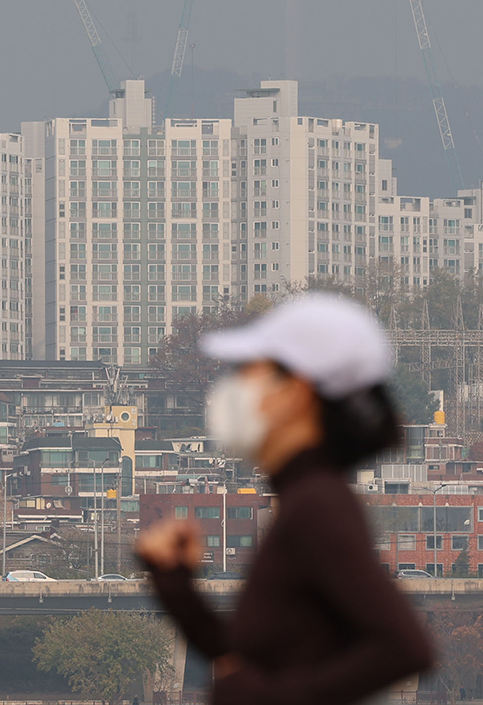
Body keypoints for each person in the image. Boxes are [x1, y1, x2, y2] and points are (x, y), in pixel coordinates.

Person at [137, 294, 434, 705]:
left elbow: (405, 647)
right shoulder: (302, 500)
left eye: (248, 373)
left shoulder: (318, 505)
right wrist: (175, 583)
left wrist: (278, 698)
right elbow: (247, 661)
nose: (234, 390)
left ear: (295, 391)